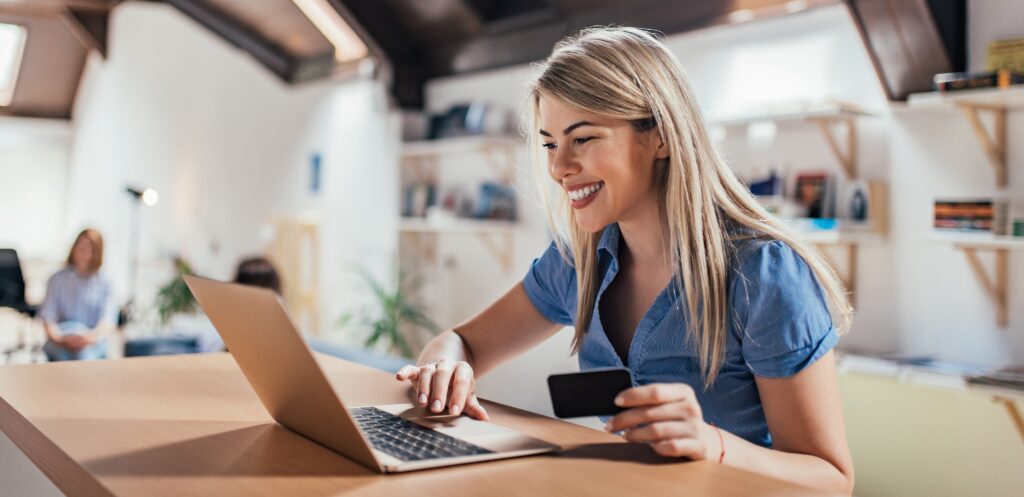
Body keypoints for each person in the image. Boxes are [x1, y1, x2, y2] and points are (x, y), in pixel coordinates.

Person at [394, 27, 855, 494]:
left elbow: (832, 479)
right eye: (551, 144)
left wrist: (710, 443)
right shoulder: (578, 261)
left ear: (660, 138)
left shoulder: (764, 274)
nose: (558, 169)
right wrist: (445, 368)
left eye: (584, 138)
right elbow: (461, 342)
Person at [39, 229, 117, 361]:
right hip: (61, 338)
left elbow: (108, 322)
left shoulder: (106, 282)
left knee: (83, 356)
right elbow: (48, 318)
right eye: (80, 247)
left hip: (92, 340)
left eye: (89, 249)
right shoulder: (57, 279)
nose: (83, 253)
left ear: (97, 253)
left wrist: (90, 338)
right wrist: (60, 340)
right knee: (62, 357)